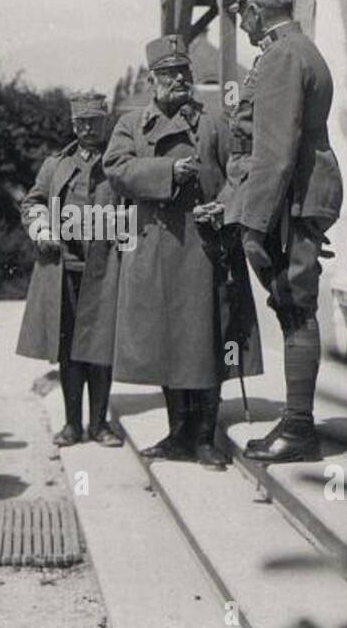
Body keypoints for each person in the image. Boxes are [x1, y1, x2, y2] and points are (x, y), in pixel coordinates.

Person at [103, 35, 262, 470]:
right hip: (155, 249)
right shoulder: (131, 126)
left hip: (205, 247)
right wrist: (166, 170)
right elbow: (116, 170)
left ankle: (206, 437)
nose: (178, 81)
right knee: (167, 345)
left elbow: (241, 171)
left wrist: (225, 205)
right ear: (152, 81)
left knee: (205, 342)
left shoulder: (215, 123)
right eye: (169, 75)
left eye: (183, 74)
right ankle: (177, 434)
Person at [221, 0, 343, 464]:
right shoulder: (295, 51)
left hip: (287, 203)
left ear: (254, 9)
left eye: (240, 12)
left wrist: (253, 223)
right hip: (292, 198)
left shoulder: (281, 58)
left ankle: (299, 428)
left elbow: (274, 152)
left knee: (294, 308)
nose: (239, 22)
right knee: (292, 306)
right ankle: (295, 423)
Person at [16, 92, 123, 447]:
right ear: (72, 123)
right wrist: (41, 229)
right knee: (67, 350)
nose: (87, 128)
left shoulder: (119, 161)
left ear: (105, 121)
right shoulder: (56, 165)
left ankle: (100, 424)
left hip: (106, 269)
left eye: (93, 121)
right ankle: (72, 425)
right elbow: (32, 203)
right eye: (80, 122)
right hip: (63, 270)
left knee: (101, 348)